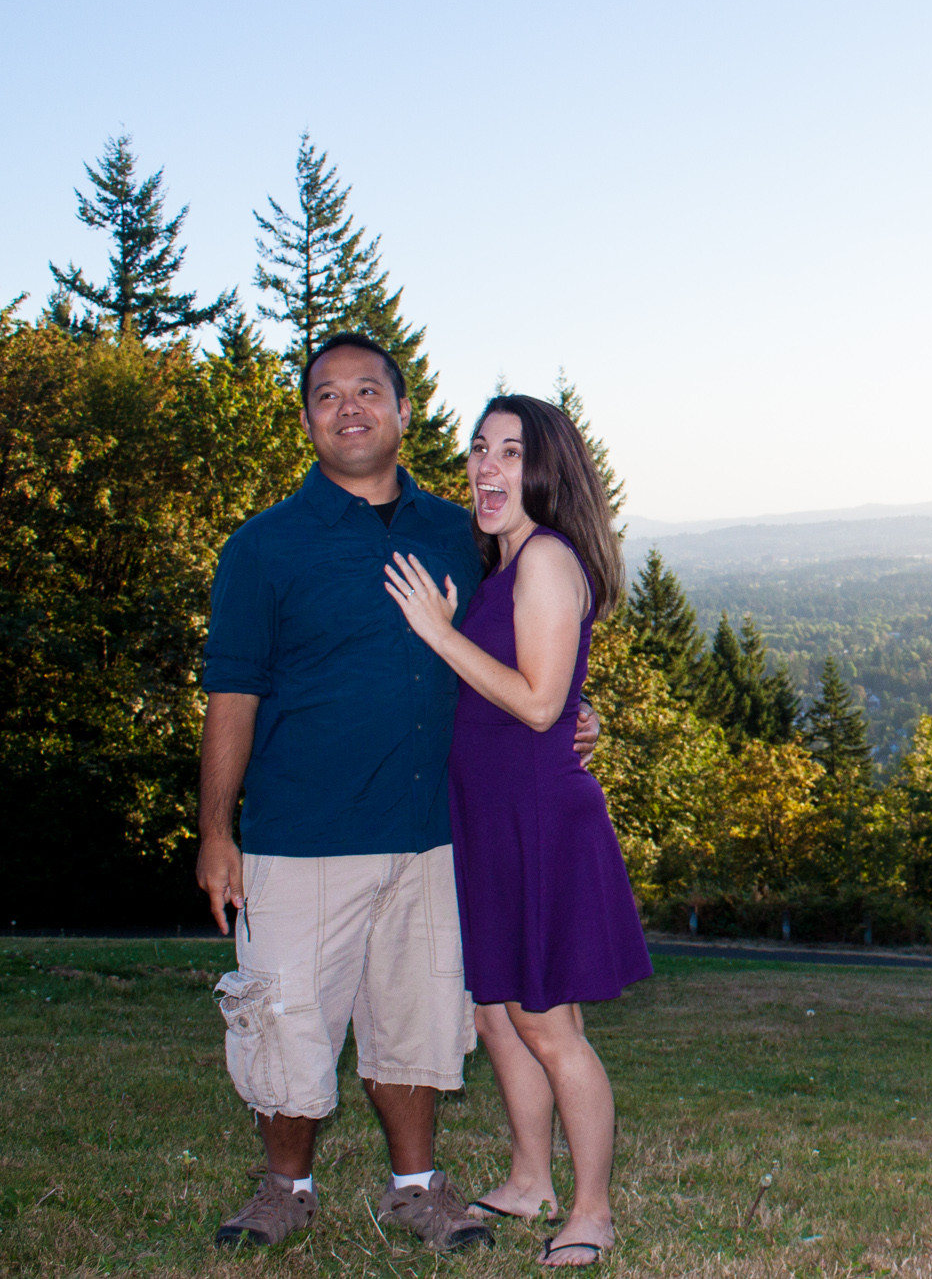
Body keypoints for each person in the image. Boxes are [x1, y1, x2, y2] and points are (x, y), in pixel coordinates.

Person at [195, 336, 600, 1252]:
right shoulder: (263, 547)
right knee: (283, 1021)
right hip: (302, 833)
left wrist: (580, 711)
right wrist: (216, 829)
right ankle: (284, 1188)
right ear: (307, 419)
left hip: (433, 836)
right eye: (326, 395)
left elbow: (526, 638)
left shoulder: (463, 532)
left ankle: (417, 1188)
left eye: (368, 390)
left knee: (417, 1024)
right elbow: (232, 692)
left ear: (404, 410)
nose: (349, 407)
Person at [383, 393, 652, 1268]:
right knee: (496, 1014)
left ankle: (592, 1211)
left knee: (547, 1023)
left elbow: (538, 704)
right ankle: (531, 1178)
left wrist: (438, 632)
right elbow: (547, 688)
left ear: (545, 470)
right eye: (478, 448)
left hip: (538, 816)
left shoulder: (544, 557)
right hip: (490, 814)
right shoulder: (500, 566)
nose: (486, 466)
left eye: (510, 451)